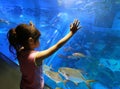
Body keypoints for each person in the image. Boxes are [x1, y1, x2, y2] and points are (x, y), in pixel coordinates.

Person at [7, 19, 81, 89]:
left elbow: (25, 40)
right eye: (38, 39)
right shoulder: (36, 57)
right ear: (31, 41)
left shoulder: (20, 50)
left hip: (24, 85)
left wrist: (32, 29)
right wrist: (71, 33)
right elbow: (57, 46)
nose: (39, 41)